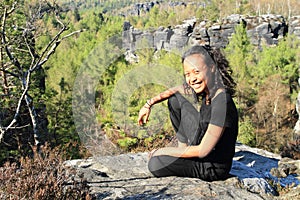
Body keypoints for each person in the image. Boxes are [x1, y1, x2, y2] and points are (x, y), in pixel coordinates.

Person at [137, 45, 238, 181]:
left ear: (212, 68)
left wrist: (161, 151)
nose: (192, 79)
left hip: (211, 166)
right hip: (201, 145)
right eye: (187, 74)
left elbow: (203, 150)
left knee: (156, 163)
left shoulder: (222, 102)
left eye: (196, 72)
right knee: (175, 100)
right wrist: (149, 104)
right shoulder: (208, 92)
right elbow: (176, 90)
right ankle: (182, 149)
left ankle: (182, 154)